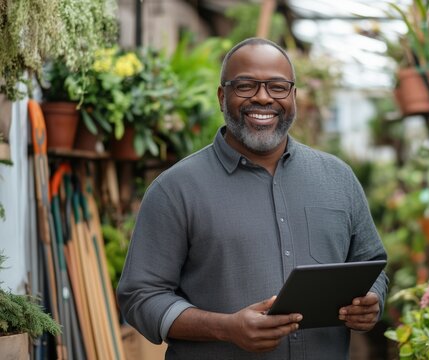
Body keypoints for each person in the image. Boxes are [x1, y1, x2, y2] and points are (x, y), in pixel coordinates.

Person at [117, 37, 388, 360]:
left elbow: (372, 265)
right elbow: (141, 296)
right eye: (245, 86)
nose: (263, 98)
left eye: (277, 87)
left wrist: (372, 300)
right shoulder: (175, 189)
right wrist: (225, 328)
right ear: (222, 96)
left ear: (293, 96)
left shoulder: (338, 178)